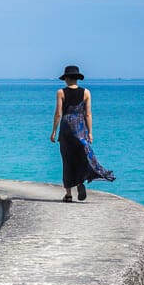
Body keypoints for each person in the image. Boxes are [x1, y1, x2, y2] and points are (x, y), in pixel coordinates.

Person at [50, 65, 115, 202]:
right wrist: (90, 132)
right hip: (80, 129)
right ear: (77, 78)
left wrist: (54, 131)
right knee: (81, 158)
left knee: (67, 161)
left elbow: (58, 114)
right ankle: (80, 183)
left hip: (67, 129)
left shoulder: (61, 92)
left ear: (67, 78)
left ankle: (68, 195)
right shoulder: (86, 92)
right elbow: (88, 114)